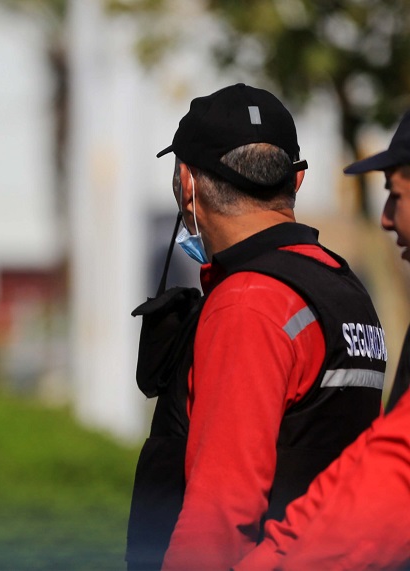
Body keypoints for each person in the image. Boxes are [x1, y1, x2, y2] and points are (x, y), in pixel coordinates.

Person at [124, 84, 387, 571]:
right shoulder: (343, 288)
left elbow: (220, 518)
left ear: (186, 182)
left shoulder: (249, 301)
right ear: (297, 180)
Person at [233, 110, 410, 570]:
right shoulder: (342, 286)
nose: (386, 219)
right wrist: (272, 556)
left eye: (396, 195)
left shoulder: (247, 299)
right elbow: (365, 460)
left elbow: (394, 478)